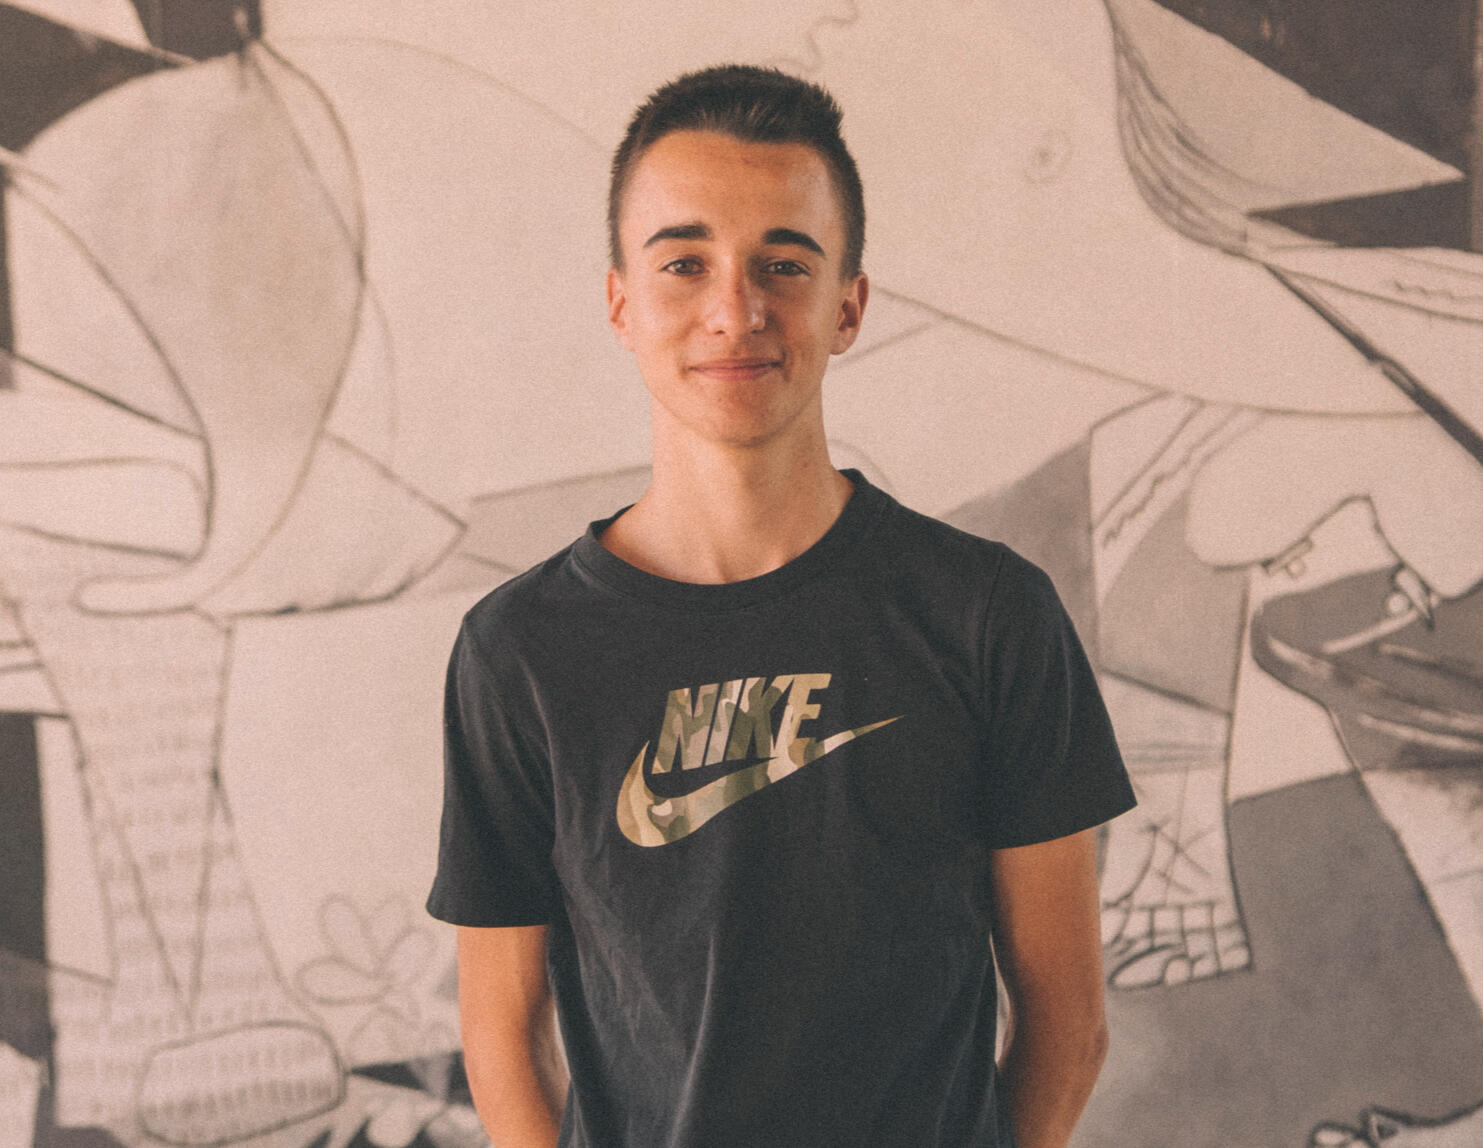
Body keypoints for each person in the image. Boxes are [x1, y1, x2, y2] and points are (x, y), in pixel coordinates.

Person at [426, 64, 1136, 1148]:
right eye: (684, 263)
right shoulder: (519, 650)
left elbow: (1066, 1024)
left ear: (847, 305)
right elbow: (502, 1035)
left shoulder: (986, 614)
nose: (735, 310)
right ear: (621, 303)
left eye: (783, 264)